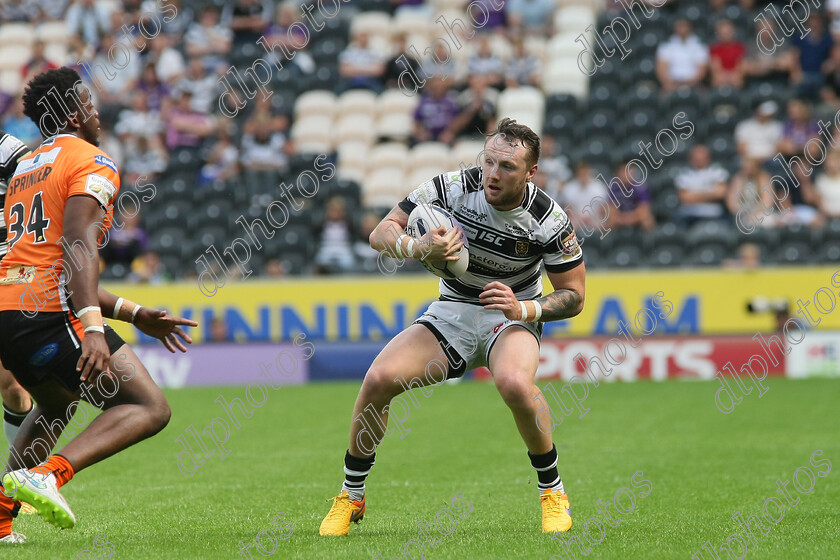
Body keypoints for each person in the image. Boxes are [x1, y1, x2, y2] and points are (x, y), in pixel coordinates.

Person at [319, 118, 586, 536]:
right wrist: (418, 246)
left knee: (515, 384)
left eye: (508, 167)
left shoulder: (548, 219)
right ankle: (351, 496)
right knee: (378, 379)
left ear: (531, 172)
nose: (494, 174)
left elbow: (574, 296)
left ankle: (553, 493)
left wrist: (525, 309)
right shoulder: (451, 187)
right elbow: (381, 232)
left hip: (509, 316)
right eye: (489, 162)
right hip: (454, 310)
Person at [0, 68, 197, 543]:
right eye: (88, 102)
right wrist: (92, 328)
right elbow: (77, 246)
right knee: (149, 407)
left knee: (54, 402)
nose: (96, 111)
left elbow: (41, 258)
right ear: (72, 113)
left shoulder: (26, 169)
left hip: (9, 313)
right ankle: (48, 474)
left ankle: (1, 516)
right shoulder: (93, 160)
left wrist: (132, 312)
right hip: (48, 314)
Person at [0, 131, 35, 501]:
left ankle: (17, 484)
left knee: (12, 385)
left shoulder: (9, 150)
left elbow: (33, 196)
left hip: (6, 274)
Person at [675, 144, 729, 227]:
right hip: (690, 214)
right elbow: (685, 198)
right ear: (691, 158)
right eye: (697, 158)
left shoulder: (718, 172)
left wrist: (695, 195)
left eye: (702, 157)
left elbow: (721, 193)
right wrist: (711, 193)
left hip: (715, 213)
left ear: (708, 158)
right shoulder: (684, 175)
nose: (700, 160)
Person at [655, 19, 709, 93]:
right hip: (672, 84)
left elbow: (702, 70)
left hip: (694, 84)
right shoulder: (667, 45)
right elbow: (661, 69)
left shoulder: (699, 45)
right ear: (675, 28)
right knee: (663, 94)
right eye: (680, 26)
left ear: (690, 28)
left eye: (685, 26)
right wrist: (671, 83)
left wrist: (689, 83)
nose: (683, 29)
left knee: (703, 93)